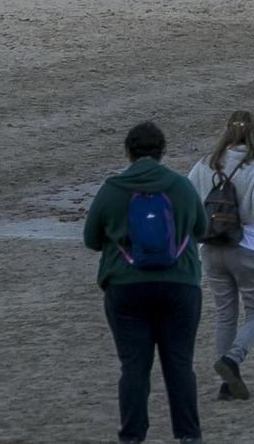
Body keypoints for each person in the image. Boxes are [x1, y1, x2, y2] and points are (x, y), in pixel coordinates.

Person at [81, 121, 208, 444]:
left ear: (127, 152)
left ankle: (133, 436)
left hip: (125, 287)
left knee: (134, 367)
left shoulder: (113, 188)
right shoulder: (180, 186)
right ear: (162, 151)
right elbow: (202, 230)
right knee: (180, 364)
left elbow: (91, 239)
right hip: (180, 284)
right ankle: (189, 435)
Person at [186, 111, 254, 404]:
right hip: (249, 249)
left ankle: (226, 386)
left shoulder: (206, 163)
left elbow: (188, 195)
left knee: (225, 315)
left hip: (212, 249)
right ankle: (232, 360)